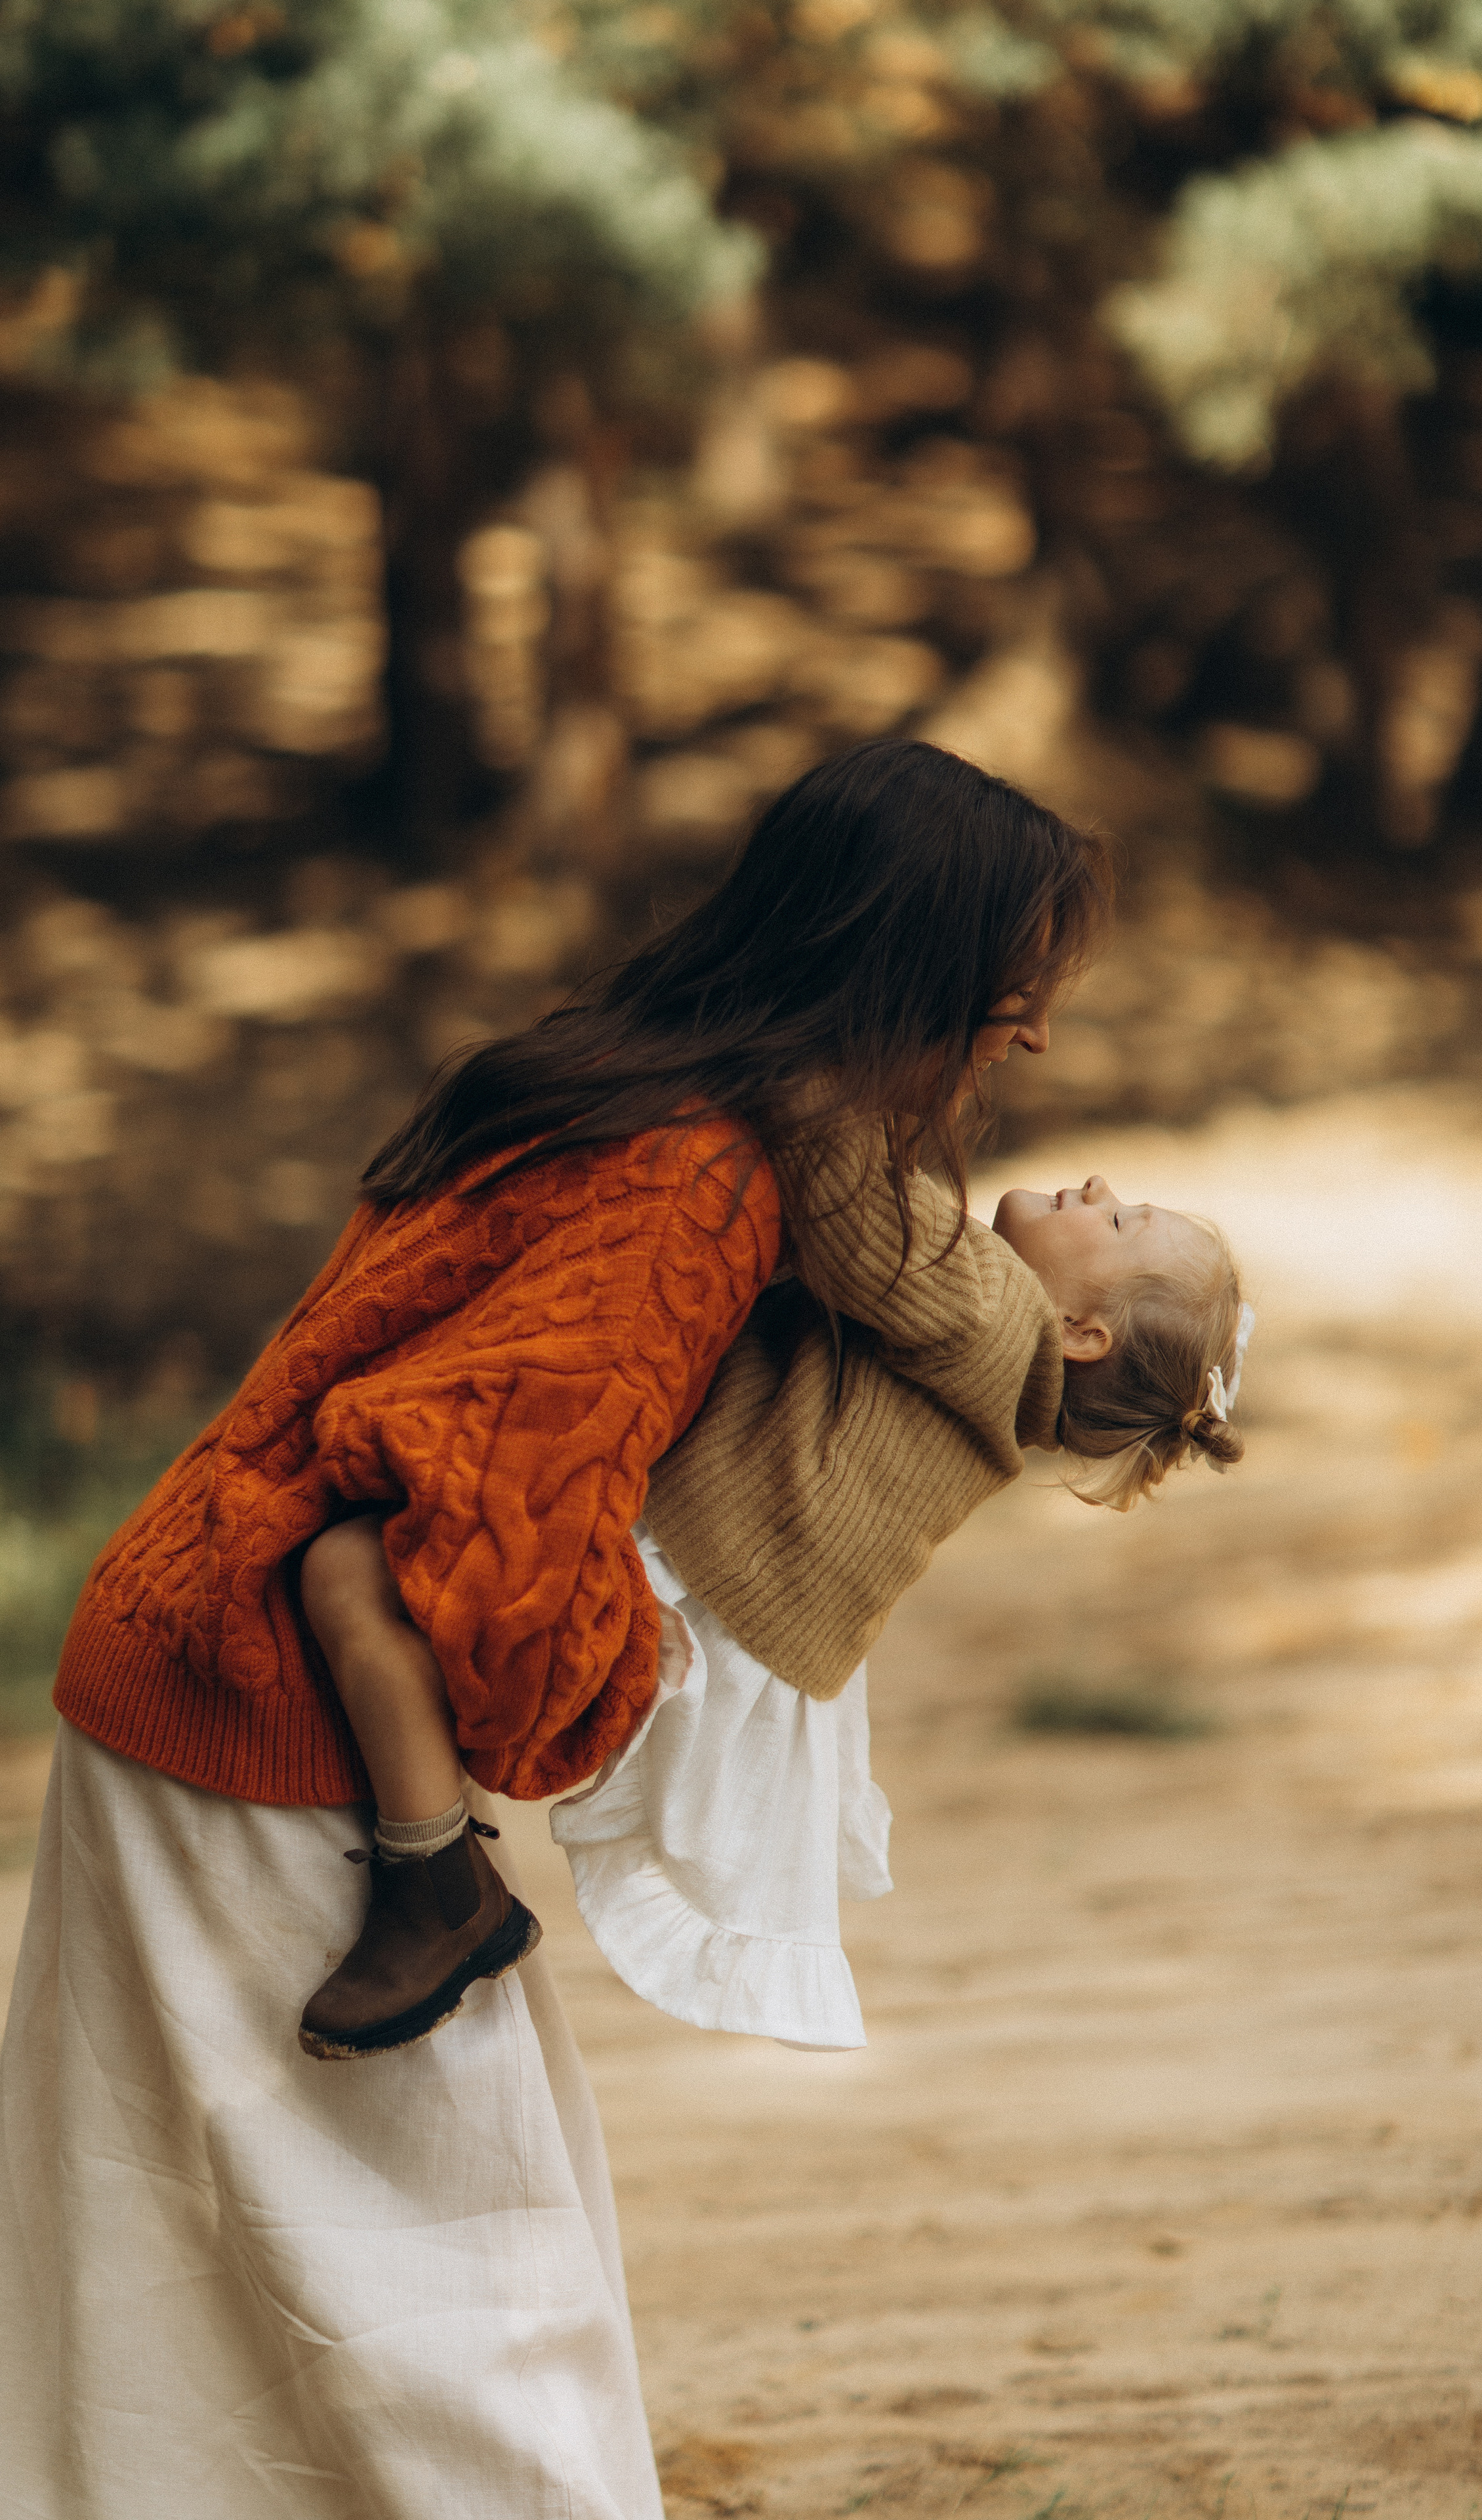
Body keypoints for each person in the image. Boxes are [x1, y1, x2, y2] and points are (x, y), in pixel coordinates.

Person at [0, 739, 1107, 2520]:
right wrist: (607, 1686)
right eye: (1015, 979)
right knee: (472, 2286)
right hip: (271, 1726)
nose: (1030, 1029)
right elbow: (495, 1514)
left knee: (166, 2259)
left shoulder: (599, 1082)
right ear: (908, 963)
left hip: (184, 1658)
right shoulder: (698, 1181)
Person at [293, 1167, 1250, 2059]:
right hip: (694, 1596)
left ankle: (435, 1886)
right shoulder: (997, 1359)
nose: (1096, 1187)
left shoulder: (993, 1312)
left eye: (1120, 1221)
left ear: (1082, 1332)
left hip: (674, 1598)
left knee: (353, 1575)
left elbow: (846, 1181)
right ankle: (431, 1863)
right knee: (377, 1581)